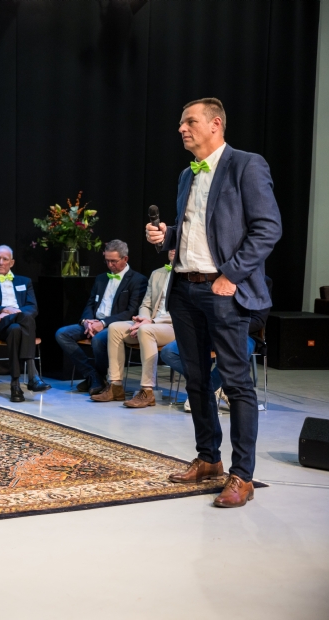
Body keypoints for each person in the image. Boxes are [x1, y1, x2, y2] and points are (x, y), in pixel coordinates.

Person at [146, 98, 281, 508]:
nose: (182, 129)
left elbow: (268, 228)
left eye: (190, 121)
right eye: (181, 123)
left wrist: (231, 275)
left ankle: (243, 475)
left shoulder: (246, 165)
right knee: (196, 380)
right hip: (184, 289)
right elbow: (197, 229)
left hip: (223, 291)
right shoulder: (187, 174)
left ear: (215, 124)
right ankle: (208, 458)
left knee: (236, 384)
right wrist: (166, 236)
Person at [160, 280, 272, 414]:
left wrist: (228, 328)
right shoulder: (217, 276)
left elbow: (258, 320)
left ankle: (206, 392)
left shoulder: (262, 281)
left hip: (243, 334)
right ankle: (216, 386)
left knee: (238, 354)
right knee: (168, 352)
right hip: (210, 331)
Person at [55, 240, 148, 396]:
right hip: (95, 322)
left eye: (114, 261)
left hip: (116, 325)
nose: (110, 265)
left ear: (125, 259)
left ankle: (98, 378)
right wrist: (86, 321)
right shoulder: (101, 278)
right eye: (107, 261)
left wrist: (103, 323)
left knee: (99, 340)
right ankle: (93, 376)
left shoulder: (138, 280)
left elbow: (131, 311)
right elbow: (91, 303)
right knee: (62, 334)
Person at [93, 250, 177, 407]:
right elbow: (146, 304)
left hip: (174, 325)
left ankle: (147, 390)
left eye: (177, 245)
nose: (173, 249)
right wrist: (143, 319)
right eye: (171, 245)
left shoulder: (189, 276)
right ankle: (115, 385)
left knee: (146, 331)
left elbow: (184, 311)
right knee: (115, 328)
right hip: (150, 323)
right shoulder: (157, 273)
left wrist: (151, 322)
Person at [0, 245, 51, 402]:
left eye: (5, 259)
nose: (0, 262)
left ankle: (15, 386)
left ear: (12, 262)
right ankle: (33, 376)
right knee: (25, 319)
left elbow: (32, 308)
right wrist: (3, 310)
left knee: (16, 328)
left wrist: (13, 313)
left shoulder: (25, 281)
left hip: (16, 325)